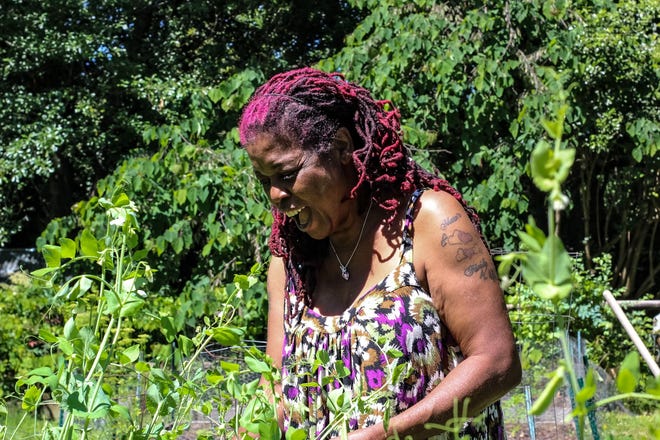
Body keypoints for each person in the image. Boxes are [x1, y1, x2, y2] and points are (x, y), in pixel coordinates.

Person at [238, 67, 521, 439]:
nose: (275, 195)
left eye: (287, 173)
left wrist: (390, 435)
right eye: (265, 180)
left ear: (341, 149)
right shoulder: (290, 259)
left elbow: (497, 363)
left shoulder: (429, 222)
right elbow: (275, 389)